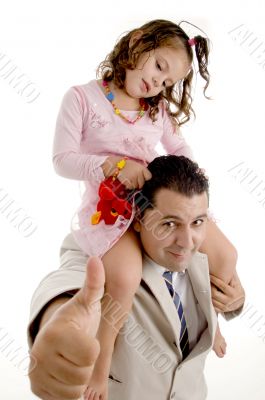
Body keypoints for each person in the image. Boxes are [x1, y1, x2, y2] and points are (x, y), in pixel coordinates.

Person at [52, 19, 237, 399]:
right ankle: (100, 368)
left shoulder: (156, 111)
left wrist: (192, 177)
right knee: (123, 279)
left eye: (168, 82)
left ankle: (212, 321)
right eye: (158, 67)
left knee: (224, 253)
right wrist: (112, 165)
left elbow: (180, 149)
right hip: (114, 209)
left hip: (158, 202)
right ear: (137, 43)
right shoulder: (82, 98)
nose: (158, 84)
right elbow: (62, 160)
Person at [27, 155, 245, 400]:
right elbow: (67, 283)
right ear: (139, 219)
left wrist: (236, 300)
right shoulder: (105, 256)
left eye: (197, 222)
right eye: (169, 224)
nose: (186, 242)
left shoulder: (204, 255)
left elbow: (223, 272)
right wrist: (56, 323)